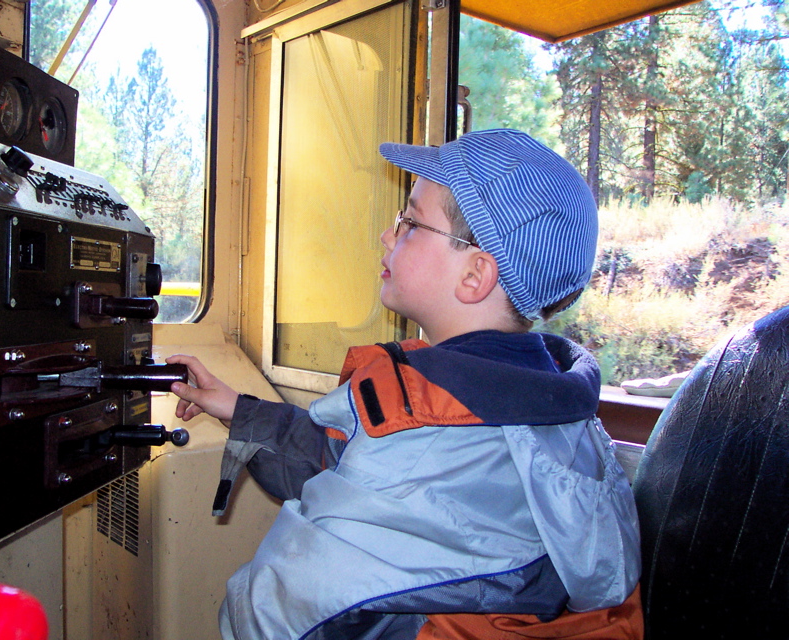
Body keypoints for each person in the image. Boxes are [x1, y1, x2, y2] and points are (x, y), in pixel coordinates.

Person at [168, 129, 643, 640]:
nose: (387, 235)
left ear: (475, 275)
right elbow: (354, 465)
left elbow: (278, 610)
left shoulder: (431, 439)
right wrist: (238, 409)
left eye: (410, 222)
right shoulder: (537, 401)